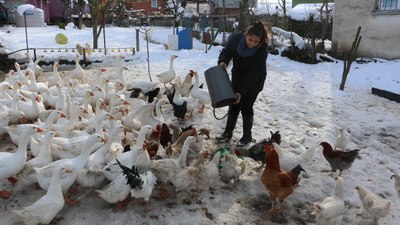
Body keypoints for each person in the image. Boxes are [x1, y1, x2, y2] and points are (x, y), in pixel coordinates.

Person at [216, 21, 270, 147]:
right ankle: (227, 133)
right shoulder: (236, 39)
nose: (252, 44)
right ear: (245, 35)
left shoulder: (262, 50)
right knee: (233, 104)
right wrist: (223, 61)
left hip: (254, 82)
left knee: (246, 106)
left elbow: (254, 74)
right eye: (250, 40)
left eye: (256, 42)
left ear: (260, 41)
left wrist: (241, 91)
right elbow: (227, 51)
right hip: (237, 76)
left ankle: (247, 136)